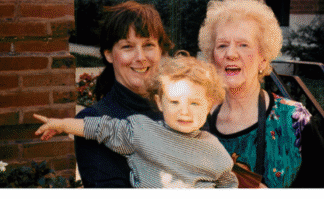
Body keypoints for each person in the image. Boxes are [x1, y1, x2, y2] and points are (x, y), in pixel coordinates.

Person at [36, 53, 236, 188]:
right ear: (159, 103)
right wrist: (62, 124)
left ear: (209, 105)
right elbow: (100, 128)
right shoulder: (142, 132)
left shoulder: (213, 149)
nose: (184, 111)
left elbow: (229, 184)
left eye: (194, 103)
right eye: (174, 102)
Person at [197, 0, 309, 188]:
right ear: (212, 57)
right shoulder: (196, 116)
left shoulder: (293, 120)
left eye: (243, 45)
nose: (230, 54)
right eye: (222, 45)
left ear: (263, 59)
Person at [75, 1, 172, 187]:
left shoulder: (183, 111)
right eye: (127, 47)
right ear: (109, 54)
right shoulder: (92, 122)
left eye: (148, 45)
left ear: (161, 50)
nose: (140, 57)